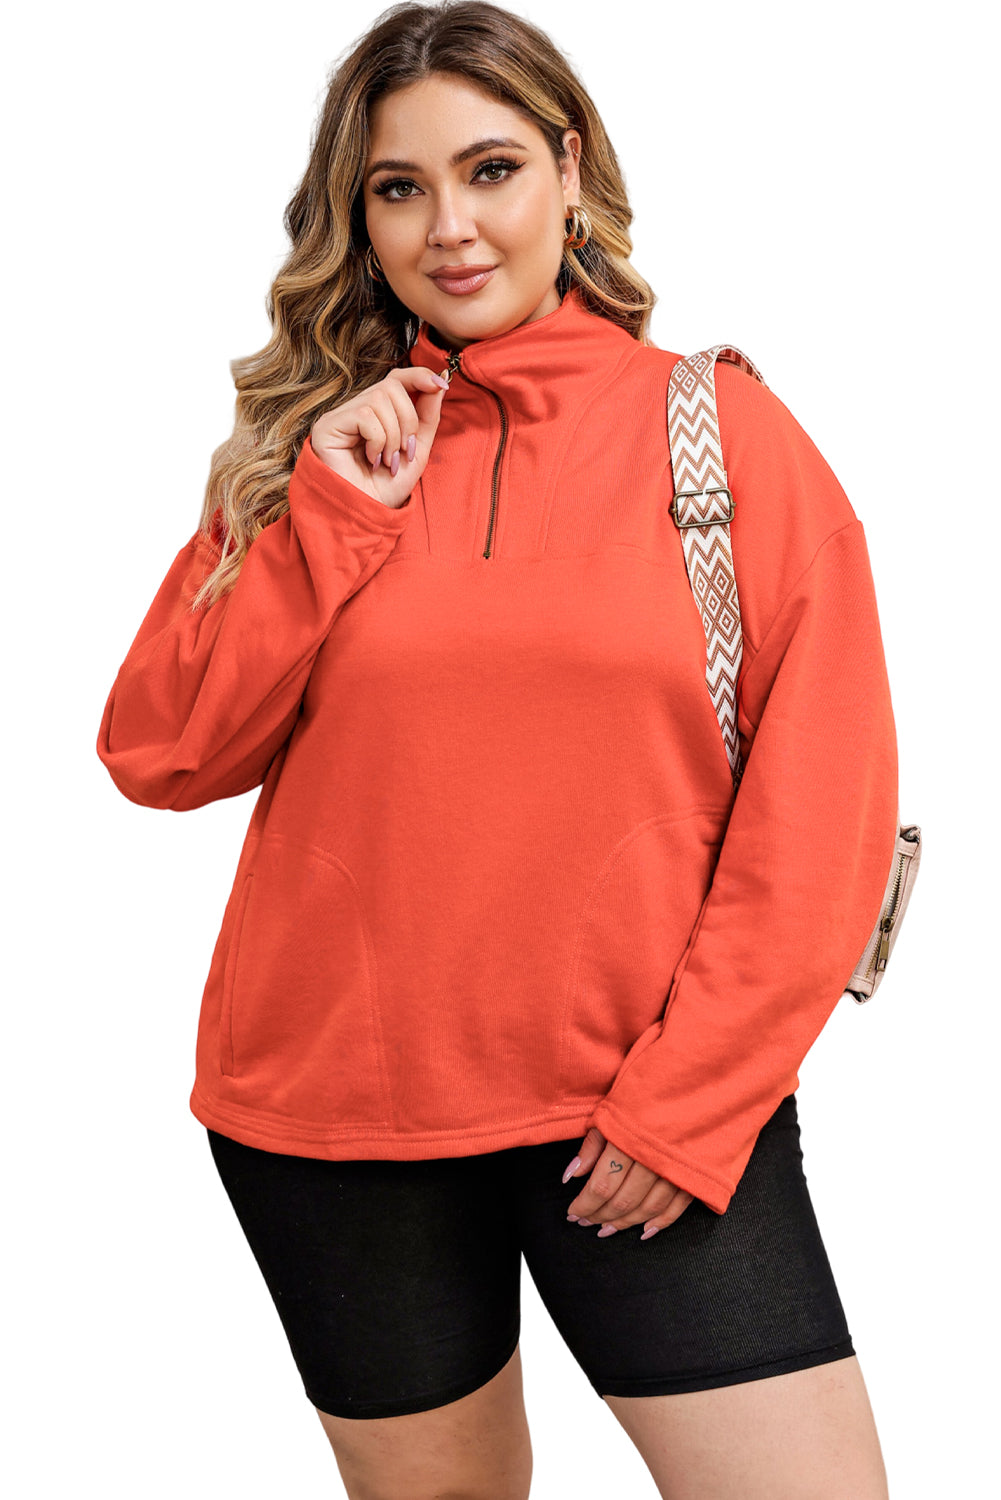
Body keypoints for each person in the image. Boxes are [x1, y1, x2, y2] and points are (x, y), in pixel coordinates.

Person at [95, 3, 899, 1495]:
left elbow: (824, 816)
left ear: (569, 172)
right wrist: (332, 515)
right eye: (399, 189)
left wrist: (690, 1104)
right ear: (357, 219)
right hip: (332, 1120)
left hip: (639, 1117)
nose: (450, 228)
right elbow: (161, 752)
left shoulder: (722, 437)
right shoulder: (319, 455)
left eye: (491, 170)